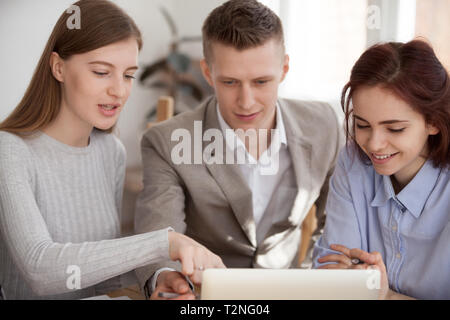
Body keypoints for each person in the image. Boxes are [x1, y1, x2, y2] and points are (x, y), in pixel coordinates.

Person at [0, 0, 224, 300]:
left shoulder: (111, 152)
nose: (119, 90)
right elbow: (42, 270)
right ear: (58, 68)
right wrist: (165, 242)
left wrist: (159, 277)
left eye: (128, 75)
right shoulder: (11, 151)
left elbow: (99, 269)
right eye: (102, 72)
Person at [134, 0, 343, 300]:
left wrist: (318, 279)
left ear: (284, 68)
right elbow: (159, 236)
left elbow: (335, 223)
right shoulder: (167, 142)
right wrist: (165, 276)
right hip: (210, 296)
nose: (246, 102)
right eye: (230, 82)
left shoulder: (324, 125)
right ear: (208, 73)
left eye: (261, 82)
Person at [312, 40, 450, 299]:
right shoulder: (353, 161)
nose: (374, 144)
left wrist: (385, 296)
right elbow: (330, 273)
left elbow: (358, 290)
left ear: (433, 122)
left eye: (395, 129)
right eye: (363, 125)